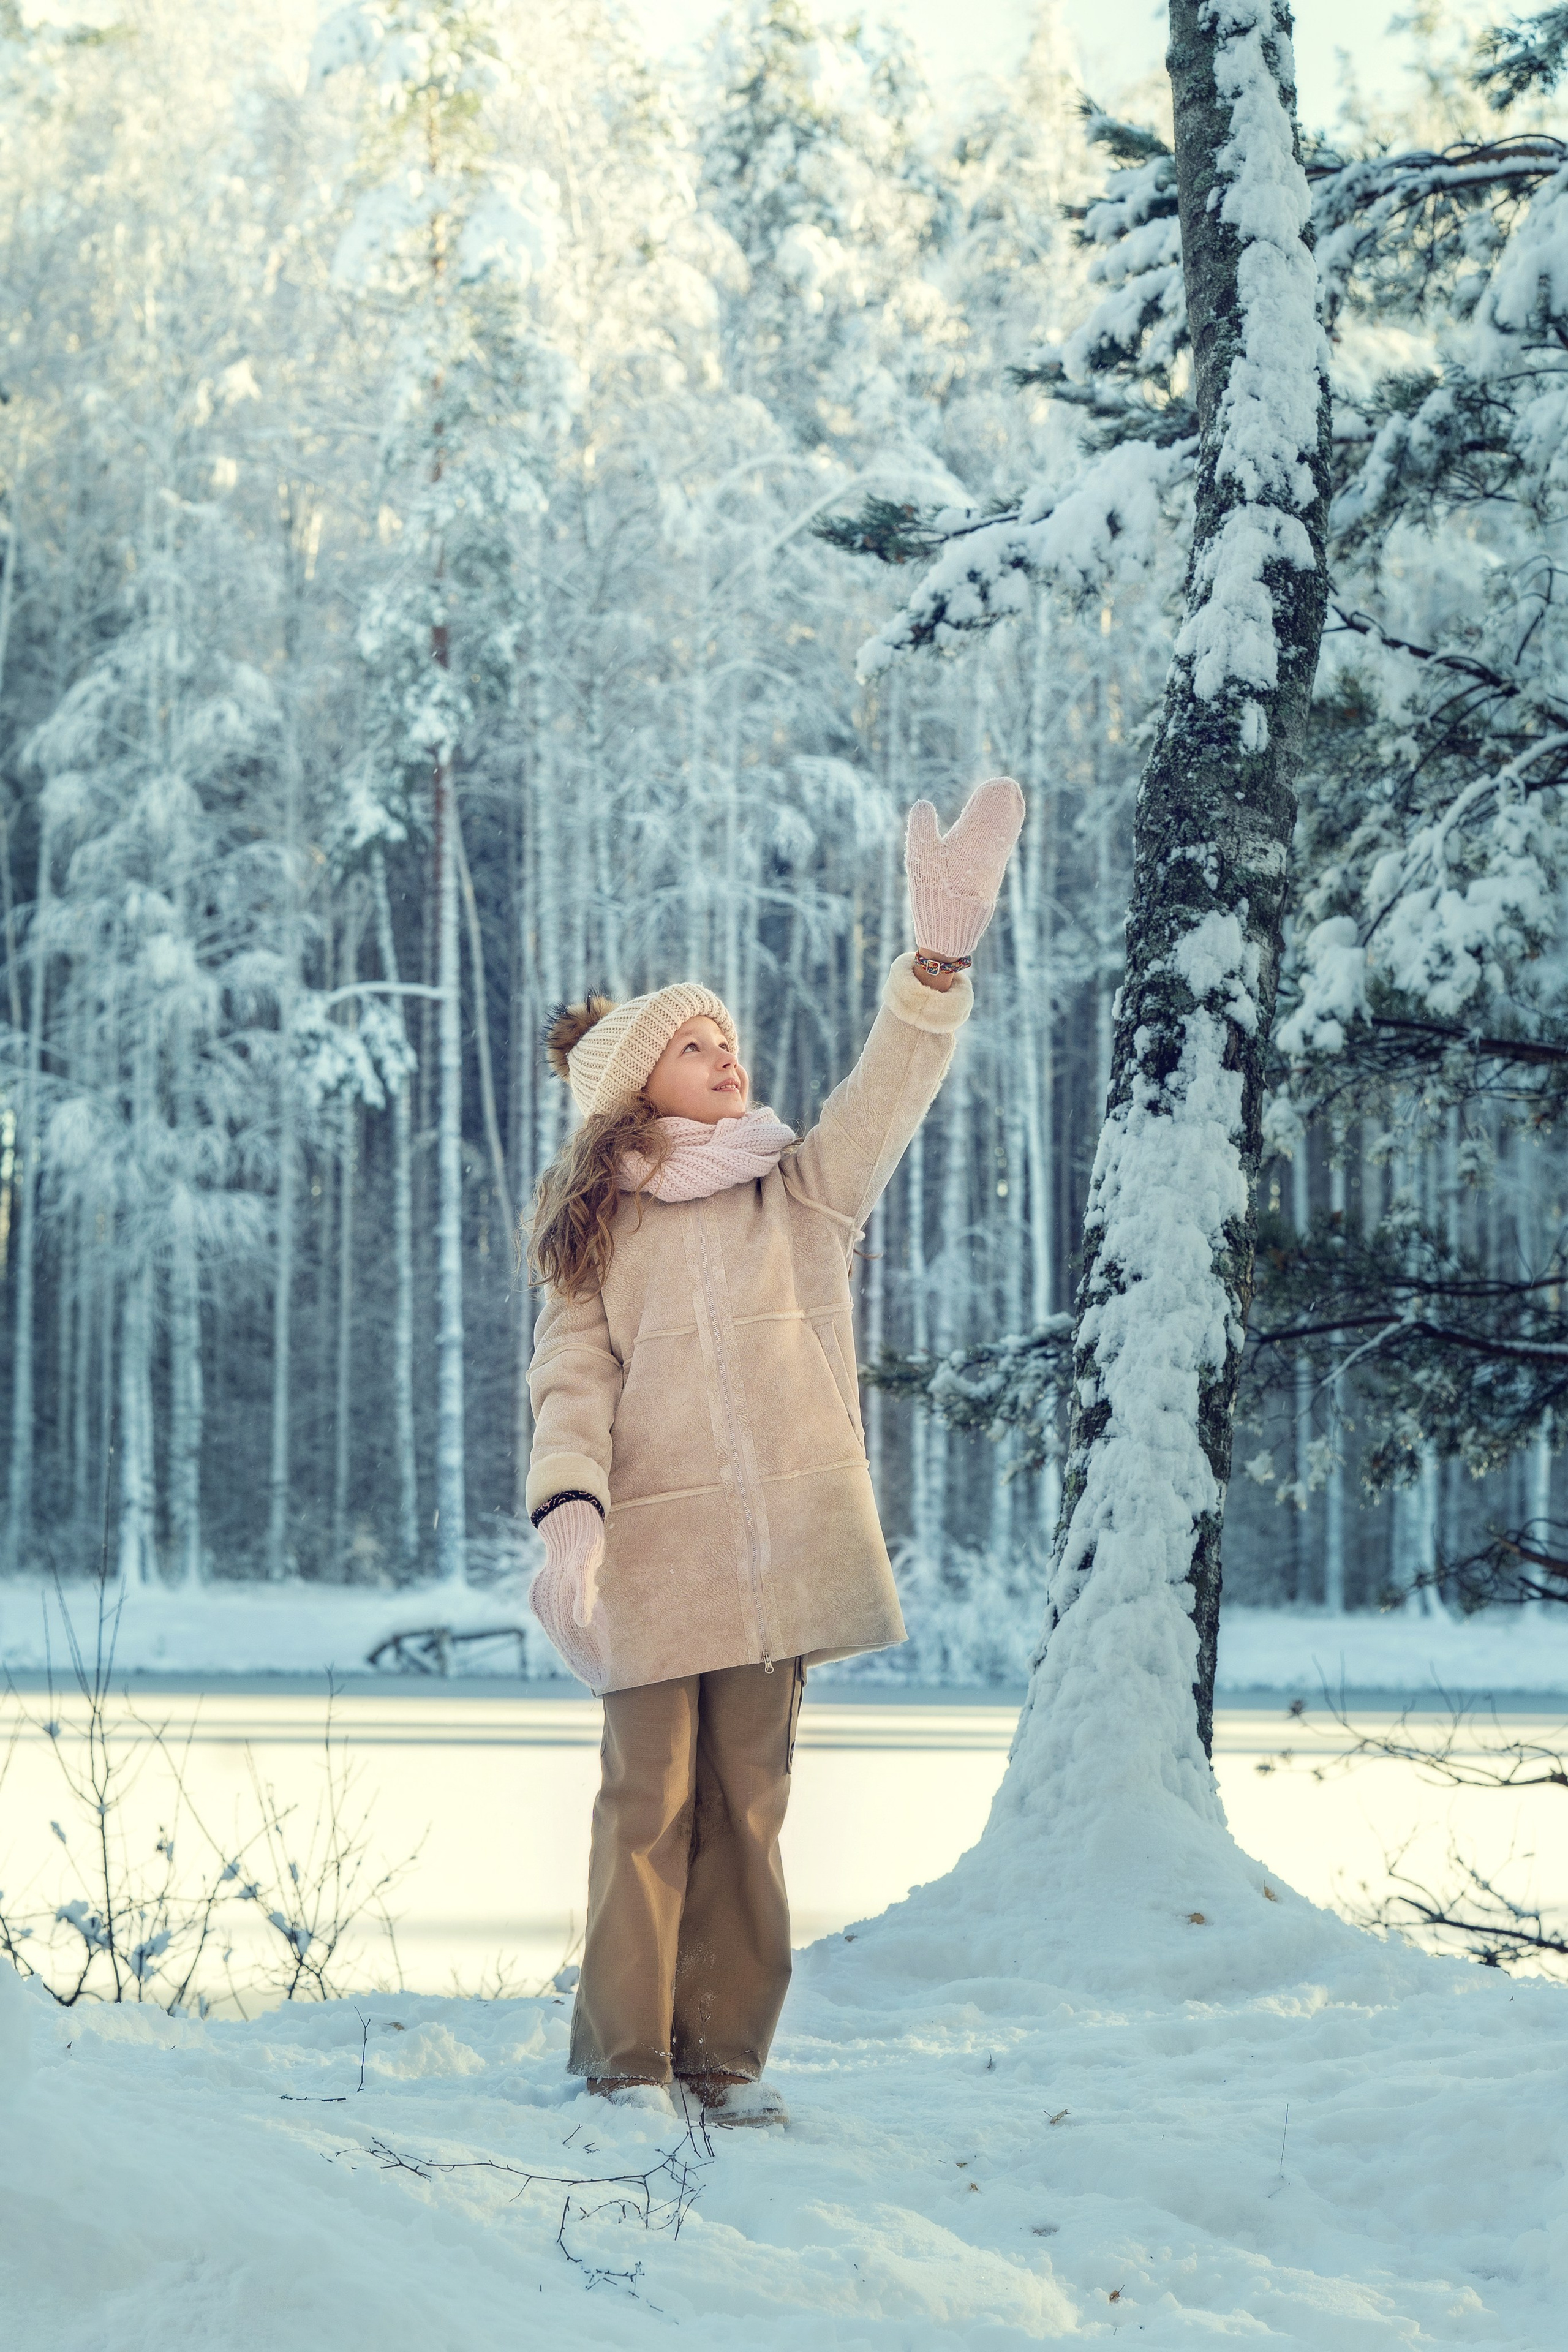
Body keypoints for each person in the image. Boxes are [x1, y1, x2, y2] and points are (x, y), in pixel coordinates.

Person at [522, 777, 1025, 2128]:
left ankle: (720, 2060)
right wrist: (569, 1508)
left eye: (730, 1041)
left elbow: (889, 1086)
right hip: (655, 1564)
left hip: (774, 1567)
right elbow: (570, 1382)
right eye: (698, 1049)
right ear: (640, 1087)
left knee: (747, 1810)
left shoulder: (796, 1190)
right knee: (646, 1805)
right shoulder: (598, 1238)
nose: (728, 1058)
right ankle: (622, 2065)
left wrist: (934, 967)